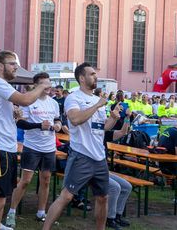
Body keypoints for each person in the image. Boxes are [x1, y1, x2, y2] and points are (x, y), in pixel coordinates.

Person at [0, 51, 48, 230]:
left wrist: (12, 113)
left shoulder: (1, 85)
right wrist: (40, 86)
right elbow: (25, 100)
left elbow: (2, 110)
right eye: (12, 64)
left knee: (0, 199)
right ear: (0, 66)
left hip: (5, 147)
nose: (16, 67)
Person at [42, 63, 119, 230]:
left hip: (99, 157)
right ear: (82, 78)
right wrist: (97, 105)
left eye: (95, 74)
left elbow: (101, 127)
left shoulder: (96, 100)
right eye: (92, 74)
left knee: (103, 197)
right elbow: (75, 120)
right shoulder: (74, 98)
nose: (95, 77)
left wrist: (113, 118)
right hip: (81, 156)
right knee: (66, 196)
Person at [5, 72, 62, 227]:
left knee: (45, 180)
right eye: (44, 84)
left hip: (49, 147)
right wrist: (38, 125)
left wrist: (57, 125)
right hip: (32, 147)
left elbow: (57, 119)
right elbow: (20, 123)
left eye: (49, 83)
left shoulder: (53, 103)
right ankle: (11, 212)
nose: (48, 87)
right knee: (25, 181)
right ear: (36, 85)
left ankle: (41, 212)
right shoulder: (29, 101)